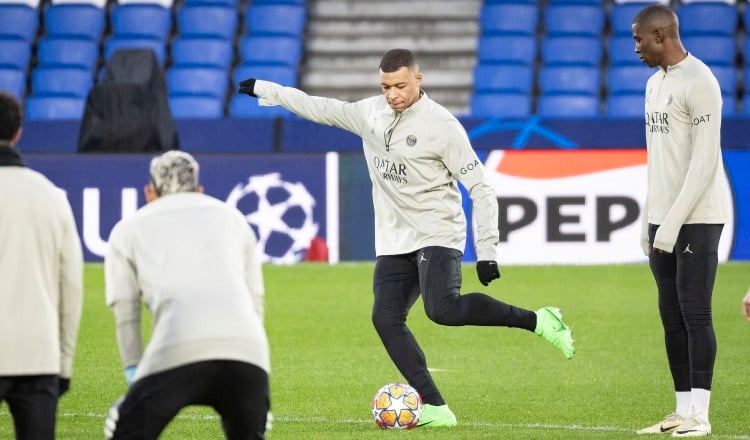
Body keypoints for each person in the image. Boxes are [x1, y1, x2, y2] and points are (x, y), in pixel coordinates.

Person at [238, 48, 575, 427]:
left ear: (418, 79)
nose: (392, 94)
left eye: (399, 85)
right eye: (385, 86)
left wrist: (487, 250)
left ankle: (540, 321)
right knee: (385, 318)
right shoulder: (369, 114)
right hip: (394, 238)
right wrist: (268, 89)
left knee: (442, 310)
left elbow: (480, 188)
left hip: (437, 230)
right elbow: (319, 107)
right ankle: (436, 407)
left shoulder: (442, 126)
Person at [103, 151, 270, 440]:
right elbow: (255, 298)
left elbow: (125, 311)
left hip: (176, 347)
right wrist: (258, 394)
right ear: (200, 190)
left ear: (150, 193)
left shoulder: (127, 230)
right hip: (248, 354)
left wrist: (134, 370)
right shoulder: (234, 219)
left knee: (122, 429)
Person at [632, 5, 731, 437]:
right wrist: (648, 219)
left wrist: (671, 225)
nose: (635, 48)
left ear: (660, 35)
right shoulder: (654, 84)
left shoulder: (702, 83)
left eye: (638, 39)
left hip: (699, 218)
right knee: (670, 316)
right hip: (663, 219)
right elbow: (660, 162)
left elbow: (703, 163)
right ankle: (681, 411)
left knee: (696, 314)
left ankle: (701, 417)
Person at [0, 91, 84, 439]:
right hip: (38, 355)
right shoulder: (51, 197)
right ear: (19, 132)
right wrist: (62, 364)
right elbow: (71, 288)